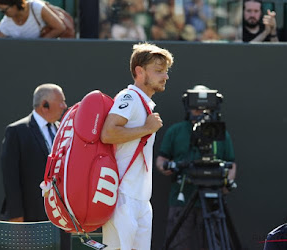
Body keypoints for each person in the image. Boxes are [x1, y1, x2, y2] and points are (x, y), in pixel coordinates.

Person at [101, 42, 174, 250]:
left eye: (166, 71)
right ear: (139, 72)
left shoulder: (145, 104)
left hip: (141, 201)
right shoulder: (129, 97)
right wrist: (146, 128)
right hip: (122, 198)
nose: (165, 76)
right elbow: (108, 133)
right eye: (159, 71)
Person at [156, 85, 237, 250]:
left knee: (216, 243)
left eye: (205, 110)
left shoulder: (219, 132)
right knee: (178, 244)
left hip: (213, 200)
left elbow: (231, 162)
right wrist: (167, 167)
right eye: (196, 110)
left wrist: (226, 183)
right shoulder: (176, 131)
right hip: (182, 198)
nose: (200, 113)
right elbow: (161, 159)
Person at [0, 83, 71, 250]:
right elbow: (11, 176)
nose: (64, 106)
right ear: (44, 105)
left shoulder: (63, 131)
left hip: (60, 216)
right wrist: (17, 216)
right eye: (60, 102)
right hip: (31, 216)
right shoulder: (17, 131)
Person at [0, 0, 66, 38]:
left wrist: (40, 43)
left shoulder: (36, 7)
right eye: (1, 10)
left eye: (5, 10)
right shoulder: (6, 22)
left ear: (14, 4)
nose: (3, 13)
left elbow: (60, 27)